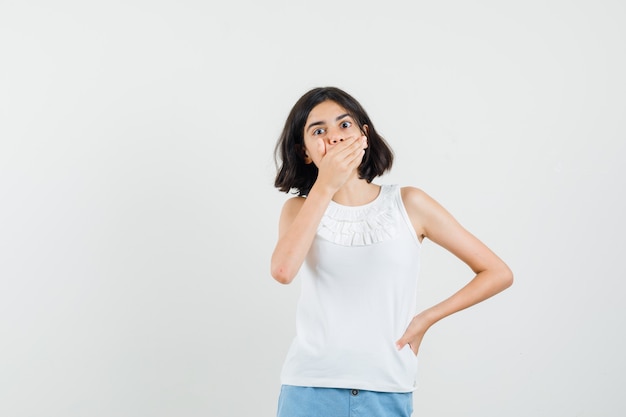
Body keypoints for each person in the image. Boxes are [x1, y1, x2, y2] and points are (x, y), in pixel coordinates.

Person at [270, 87, 513, 417]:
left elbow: (497, 272)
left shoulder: (409, 203)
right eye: (319, 131)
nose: (336, 137)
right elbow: (283, 271)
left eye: (345, 125)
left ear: (364, 135)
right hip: (310, 388)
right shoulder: (298, 209)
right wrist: (325, 185)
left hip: (387, 388)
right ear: (306, 152)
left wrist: (426, 320)